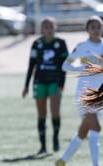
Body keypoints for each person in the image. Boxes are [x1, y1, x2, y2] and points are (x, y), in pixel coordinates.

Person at [55, 16, 103, 166]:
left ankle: (62, 161)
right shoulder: (82, 47)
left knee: (84, 131)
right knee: (96, 128)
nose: (96, 29)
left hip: (101, 92)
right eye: (93, 27)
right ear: (87, 29)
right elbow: (66, 65)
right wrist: (84, 67)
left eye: (99, 26)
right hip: (84, 92)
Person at [22, 17, 68, 154]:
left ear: (55, 28)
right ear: (42, 29)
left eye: (51, 27)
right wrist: (26, 85)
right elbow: (31, 65)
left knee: (55, 112)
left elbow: (64, 65)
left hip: (54, 82)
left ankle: (55, 138)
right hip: (40, 82)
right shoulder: (37, 44)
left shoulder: (61, 43)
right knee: (41, 114)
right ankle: (42, 146)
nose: (48, 29)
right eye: (46, 27)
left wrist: (62, 83)